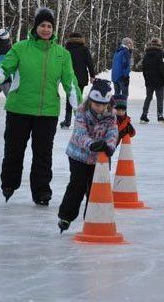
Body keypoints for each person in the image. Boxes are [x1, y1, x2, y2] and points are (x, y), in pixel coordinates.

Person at [0, 7, 81, 205]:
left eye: (49, 26)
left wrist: (78, 108)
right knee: (14, 149)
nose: (46, 29)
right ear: (35, 27)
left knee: (43, 154)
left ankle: (41, 191)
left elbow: (70, 82)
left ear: (53, 29)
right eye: (42, 25)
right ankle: (9, 183)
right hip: (18, 109)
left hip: (47, 112)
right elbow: (4, 67)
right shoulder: (21, 48)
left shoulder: (62, 54)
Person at [57, 79, 118, 233]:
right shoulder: (81, 112)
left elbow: (113, 132)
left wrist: (110, 146)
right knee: (77, 185)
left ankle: (92, 219)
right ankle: (66, 216)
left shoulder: (111, 115)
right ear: (91, 101)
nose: (100, 108)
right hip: (79, 155)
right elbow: (79, 133)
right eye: (97, 104)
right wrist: (90, 144)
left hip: (100, 160)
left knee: (95, 189)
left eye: (104, 105)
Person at [59, 32, 96, 129]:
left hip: (69, 78)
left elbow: (61, 64)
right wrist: (92, 75)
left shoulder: (66, 49)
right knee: (78, 98)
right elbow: (89, 63)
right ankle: (79, 121)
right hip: (81, 77)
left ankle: (67, 121)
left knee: (69, 98)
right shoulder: (84, 49)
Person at [140, 37, 164, 124]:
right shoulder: (160, 54)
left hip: (149, 80)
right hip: (159, 80)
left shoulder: (146, 54)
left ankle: (144, 115)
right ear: (159, 44)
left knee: (148, 97)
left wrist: (146, 79)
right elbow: (162, 68)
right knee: (160, 98)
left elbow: (144, 68)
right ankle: (160, 116)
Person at [111, 37, 133, 101]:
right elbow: (125, 64)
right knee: (124, 94)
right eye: (130, 43)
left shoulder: (117, 51)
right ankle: (123, 110)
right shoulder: (125, 51)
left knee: (117, 94)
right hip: (122, 77)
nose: (132, 45)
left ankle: (115, 109)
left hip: (115, 76)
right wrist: (126, 76)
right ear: (127, 44)